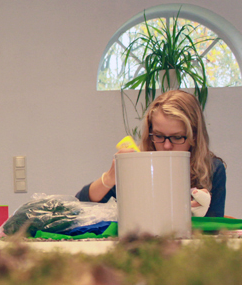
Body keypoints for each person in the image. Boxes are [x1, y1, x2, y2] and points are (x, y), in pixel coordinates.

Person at [76, 89, 226, 217]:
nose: (167, 145)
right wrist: (110, 178)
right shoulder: (140, 163)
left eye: (177, 137)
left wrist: (194, 214)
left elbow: (214, 229)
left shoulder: (212, 169)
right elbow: (80, 207)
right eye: (159, 136)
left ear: (195, 135)